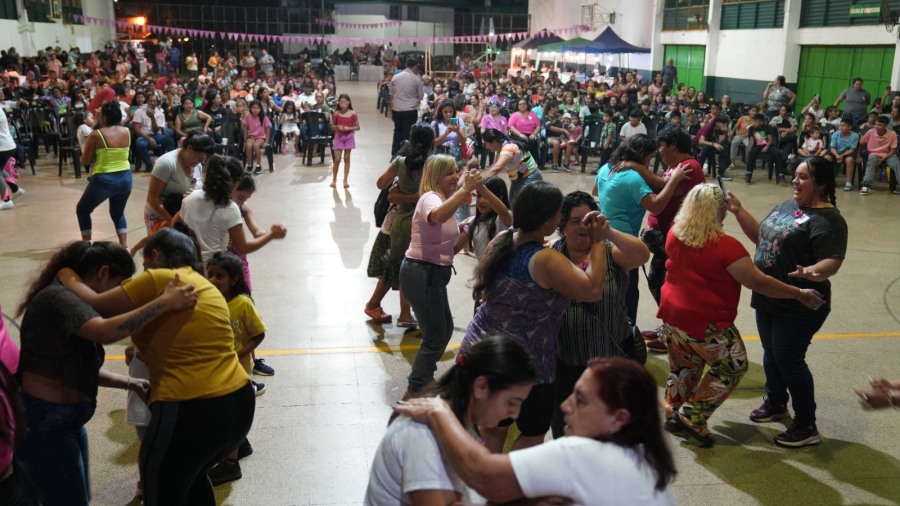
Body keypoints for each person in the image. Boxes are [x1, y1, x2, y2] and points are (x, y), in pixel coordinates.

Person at [59, 228, 253, 505]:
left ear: (156, 254)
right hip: (238, 404)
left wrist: (67, 275)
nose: (144, 268)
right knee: (193, 479)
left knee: (160, 493)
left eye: (145, 260)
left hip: (192, 406)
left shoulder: (162, 277)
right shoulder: (204, 285)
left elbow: (98, 307)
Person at [15, 240, 198, 506]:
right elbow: (105, 332)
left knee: (75, 498)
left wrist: (130, 382)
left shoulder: (74, 299)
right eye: (120, 285)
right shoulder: (59, 298)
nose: (119, 297)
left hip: (65, 422)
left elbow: (77, 368)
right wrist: (163, 303)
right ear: (103, 273)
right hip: (46, 425)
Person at [659, 183, 825, 447]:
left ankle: (674, 410)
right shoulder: (726, 247)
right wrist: (799, 294)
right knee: (732, 365)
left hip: (672, 314)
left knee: (684, 366)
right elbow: (758, 282)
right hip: (705, 322)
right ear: (718, 210)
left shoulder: (675, 233)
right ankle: (692, 416)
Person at [395, 357, 677, 505]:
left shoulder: (584, 453)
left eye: (580, 400)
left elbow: (482, 473)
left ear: (619, 419)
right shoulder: (647, 460)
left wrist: (438, 412)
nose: (565, 406)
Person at [462, 181, 610, 451]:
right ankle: (508, 476)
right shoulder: (544, 259)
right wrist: (598, 241)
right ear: (548, 220)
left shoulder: (503, 239)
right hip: (523, 363)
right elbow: (592, 290)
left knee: (494, 428)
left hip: (484, 349)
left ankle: (484, 474)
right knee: (532, 433)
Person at [729, 156, 848, 447]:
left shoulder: (829, 220)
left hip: (801, 303)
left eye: (803, 177)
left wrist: (811, 271)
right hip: (770, 295)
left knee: (789, 360)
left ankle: (807, 425)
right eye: (795, 175)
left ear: (821, 184)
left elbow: (832, 262)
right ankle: (777, 402)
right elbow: (762, 237)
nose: (795, 181)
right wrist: (739, 211)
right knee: (771, 353)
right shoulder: (787, 206)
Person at [364, 335, 536, 504]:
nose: (515, 414)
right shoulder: (422, 434)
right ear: (481, 387)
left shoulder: (460, 422)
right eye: (511, 402)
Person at [550, 191, 650, 439]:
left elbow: (642, 254)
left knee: (610, 430)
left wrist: (608, 232)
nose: (583, 227)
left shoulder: (611, 252)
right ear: (562, 225)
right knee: (566, 428)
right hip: (567, 363)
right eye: (575, 221)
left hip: (610, 363)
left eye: (589, 220)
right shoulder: (552, 254)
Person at [400, 155, 482, 397]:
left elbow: (446, 242)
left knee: (444, 330)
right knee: (435, 336)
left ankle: (424, 378)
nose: (456, 177)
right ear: (435, 177)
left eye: (456, 171)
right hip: (422, 273)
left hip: (432, 275)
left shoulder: (444, 199)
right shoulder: (430, 197)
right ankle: (416, 388)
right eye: (449, 173)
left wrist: (465, 228)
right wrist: (465, 189)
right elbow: (436, 216)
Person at [592, 134, 691, 327]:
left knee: (608, 287)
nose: (649, 162)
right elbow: (656, 206)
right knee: (628, 292)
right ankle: (627, 334)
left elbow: (596, 191)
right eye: (650, 157)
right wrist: (675, 179)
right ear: (642, 155)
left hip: (602, 236)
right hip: (624, 242)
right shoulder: (633, 178)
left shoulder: (606, 168)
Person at [204, 251, 266, 485]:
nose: (212, 280)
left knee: (228, 416)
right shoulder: (209, 300)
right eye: (210, 274)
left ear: (234, 280)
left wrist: (238, 355)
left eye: (219, 276)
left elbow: (258, 334)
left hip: (236, 371)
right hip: (216, 369)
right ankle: (242, 444)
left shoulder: (242, 304)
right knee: (224, 413)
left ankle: (230, 465)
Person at [365, 123, 434, 327]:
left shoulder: (400, 161)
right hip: (419, 222)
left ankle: (380, 306)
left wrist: (399, 183)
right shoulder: (432, 164)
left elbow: (380, 184)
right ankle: (404, 314)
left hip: (395, 220)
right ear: (431, 143)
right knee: (406, 267)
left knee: (395, 266)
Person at [177, 155, 287, 265]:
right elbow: (242, 248)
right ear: (234, 183)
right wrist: (271, 235)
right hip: (213, 268)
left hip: (189, 264)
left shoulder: (190, 198)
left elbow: (175, 224)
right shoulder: (230, 208)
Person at [76, 102, 133, 247]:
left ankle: (86, 246)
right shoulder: (127, 131)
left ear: (104, 117)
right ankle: (124, 247)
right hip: (126, 178)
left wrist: (96, 122)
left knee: (83, 210)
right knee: (118, 213)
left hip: (105, 178)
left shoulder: (96, 135)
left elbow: (85, 161)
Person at [143, 131, 214, 233]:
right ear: (189, 147)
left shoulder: (197, 164)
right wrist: (174, 223)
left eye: (204, 160)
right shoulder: (166, 164)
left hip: (182, 216)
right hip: (161, 216)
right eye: (199, 157)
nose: (201, 162)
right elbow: (153, 199)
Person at [458, 176, 512, 259]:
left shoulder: (503, 219)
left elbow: (503, 212)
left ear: (500, 198)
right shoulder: (472, 222)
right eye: (479, 196)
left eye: (486, 197)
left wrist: (479, 186)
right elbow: (452, 250)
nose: (481, 201)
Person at [482, 128, 542, 202]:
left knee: (521, 204)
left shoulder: (509, 147)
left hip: (530, 176)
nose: (486, 147)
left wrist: (480, 184)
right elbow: (494, 166)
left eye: (486, 144)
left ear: (494, 142)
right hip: (517, 178)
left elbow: (497, 168)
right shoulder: (499, 149)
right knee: (513, 203)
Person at [132, 93, 176, 173]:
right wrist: (149, 139)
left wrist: (152, 118)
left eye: (154, 101)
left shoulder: (160, 113)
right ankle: (149, 165)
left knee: (170, 141)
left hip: (156, 135)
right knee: (140, 144)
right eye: (150, 101)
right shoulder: (139, 111)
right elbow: (137, 129)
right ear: (147, 101)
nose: (152, 103)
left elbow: (156, 130)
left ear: (157, 103)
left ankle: (171, 164)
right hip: (143, 135)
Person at [391, 58, 425, 158]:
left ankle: (394, 153)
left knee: (397, 131)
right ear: (415, 66)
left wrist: (391, 108)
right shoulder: (416, 79)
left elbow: (391, 95)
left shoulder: (396, 77)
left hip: (397, 109)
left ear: (406, 64)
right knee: (407, 133)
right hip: (410, 110)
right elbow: (421, 96)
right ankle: (404, 154)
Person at [858, 115, 899, 195]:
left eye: (879, 125)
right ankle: (866, 185)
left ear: (886, 126)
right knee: (871, 160)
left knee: (896, 163)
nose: (876, 126)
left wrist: (883, 159)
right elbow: (860, 143)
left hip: (888, 154)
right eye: (876, 124)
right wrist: (858, 155)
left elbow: (893, 150)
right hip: (874, 154)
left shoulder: (892, 134)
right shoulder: (871, 132)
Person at [744, 112, 785, 183]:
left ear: (761, 122)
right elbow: (751, 140)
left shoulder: (766, 127)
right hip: (757, 146)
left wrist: (766, 147)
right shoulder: (751, 128)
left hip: (768, 145)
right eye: (753, 121)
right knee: (751, 153)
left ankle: (780, 174)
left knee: (778, 153)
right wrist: (750, 149)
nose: (754, 123)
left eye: (756, 121)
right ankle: (749, 173)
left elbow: (770, 139)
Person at [330, 93, 359, 188]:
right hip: (339, 136)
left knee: (347, 158)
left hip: (349, 137)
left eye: (345, 102)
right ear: (338, 103)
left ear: (348, 102)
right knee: (337, 159)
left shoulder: (352, 113)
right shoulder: (336, 113)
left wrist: (348, 128)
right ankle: (334, 179)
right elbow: (332, 126)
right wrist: (337, 127)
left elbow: (358, 127)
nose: (343, 104)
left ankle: (345, 180)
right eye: (341, 102)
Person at [828, 118, 860, 191]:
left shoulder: (855, 135)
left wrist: (842, 155)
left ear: (850, 127)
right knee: (827, 158)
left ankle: (849, 183)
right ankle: (827, 180)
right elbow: (832, 147)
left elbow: (852, 149)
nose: (841, 127)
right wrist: (837, 155)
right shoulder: (835, 134)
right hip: (836, 152)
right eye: (840, 125)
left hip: (848, 153)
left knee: (849, 160)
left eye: (843, 126)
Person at [242, 100, 272, 175]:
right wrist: (245, 141)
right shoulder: (248, 117)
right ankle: (249, 165)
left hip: (261, 137)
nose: (255, 110)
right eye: (254, 108)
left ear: (260, 109)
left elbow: (268, 130)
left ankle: (258, 165)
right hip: (251, 136)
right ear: (250, 108)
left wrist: (266, 141)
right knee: (248, 145)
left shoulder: (264, 117)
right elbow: (245, 129)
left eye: (257, 108)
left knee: (256, 145)